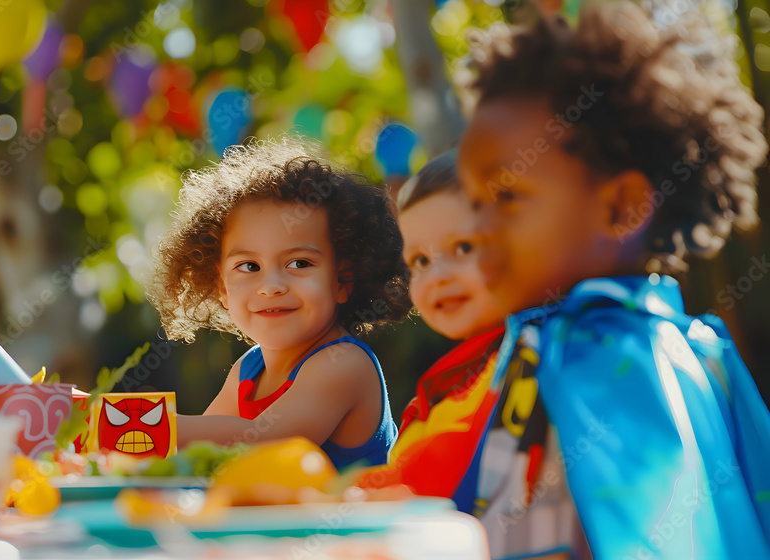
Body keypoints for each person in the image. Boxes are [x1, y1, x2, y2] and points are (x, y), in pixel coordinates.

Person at [451, 3, 770, 558]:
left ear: (622, 206)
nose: (475, 228)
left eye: (507, 197)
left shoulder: (604, 355)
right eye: (475, 201)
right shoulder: (619, 339)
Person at [150, 138, 412, 469]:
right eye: (249, 267)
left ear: (342, 281)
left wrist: (132, 425)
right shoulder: (249, 370)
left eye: (299, 264)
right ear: (222, 288)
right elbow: (202, 460)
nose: (271, 287)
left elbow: (263, 442)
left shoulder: (343, 363)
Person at [358, 151, 513, 500]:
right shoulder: (470, 367)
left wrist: (349, 496)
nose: (438, 277)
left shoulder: (531, 355)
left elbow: (445, 465)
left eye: (463, 247)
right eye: (421, 260)